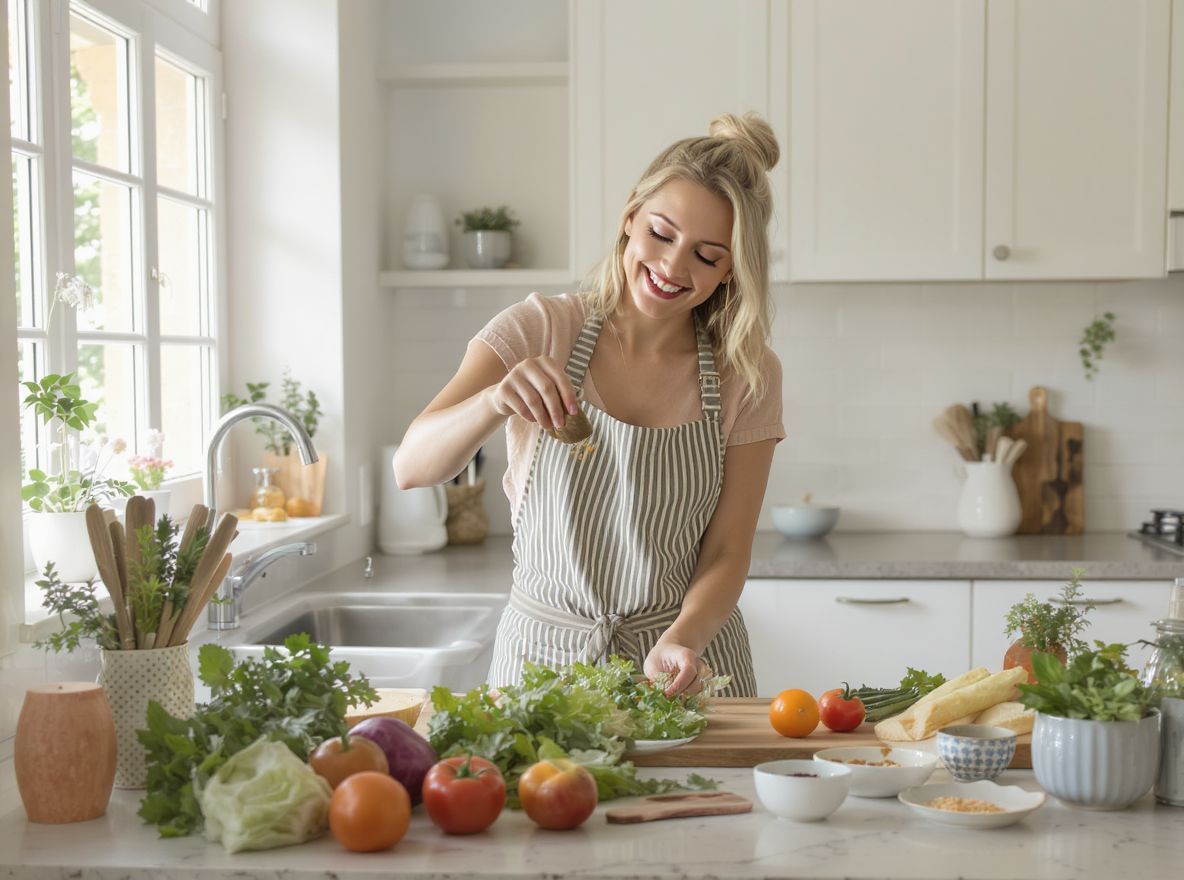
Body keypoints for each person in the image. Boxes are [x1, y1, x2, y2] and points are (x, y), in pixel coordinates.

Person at [394, 112, 784, 697]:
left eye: (707, 256)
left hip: (680, 668)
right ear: (629, 218)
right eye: (661, 233)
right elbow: (412, 467)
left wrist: (684, 638)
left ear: (731, 271)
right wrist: (495, 401)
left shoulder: (745, 374)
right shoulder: (539, 328)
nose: (673, 267)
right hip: (543, 664)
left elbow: (728, 552)